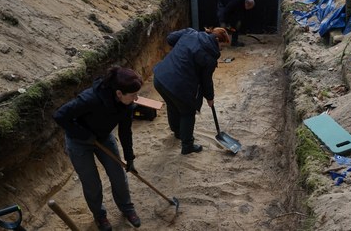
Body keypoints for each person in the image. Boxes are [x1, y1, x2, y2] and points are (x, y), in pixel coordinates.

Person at [53, 66, 143, 231]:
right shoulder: (90, 99)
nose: (136, 98)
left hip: (103, 138)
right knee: (92, 183)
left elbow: (125, 132)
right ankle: (100, 216)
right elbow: (60, 116)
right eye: (133, 95)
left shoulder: (127, 106)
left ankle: (127, 208)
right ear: (118, 93)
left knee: (118, 175)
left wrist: (130, 158)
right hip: (79, 142)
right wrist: (83, 134)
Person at [153, 27, 230, 155]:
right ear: (216, 39)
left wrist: (181, 49)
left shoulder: (190, 33)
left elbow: (170, 38)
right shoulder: (210, 58)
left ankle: (178, 132)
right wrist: (210, 97)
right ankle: (187, 145)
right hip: (178, 86)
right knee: (187, 112)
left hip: (160, 78)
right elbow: (206, 81)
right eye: (221, 45)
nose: (221, 48)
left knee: (173, 104)